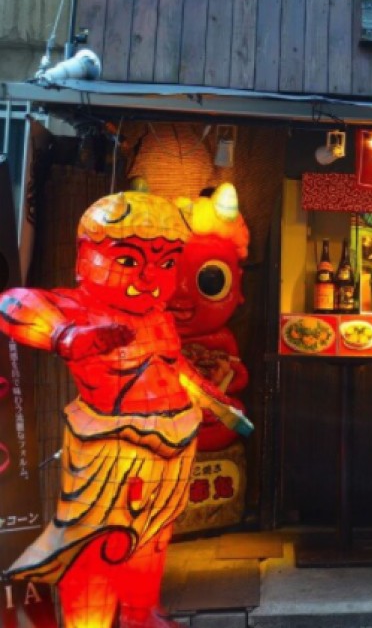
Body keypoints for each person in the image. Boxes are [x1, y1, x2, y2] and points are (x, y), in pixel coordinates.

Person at [0, 190, 252, 628]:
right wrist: (64, 335)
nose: (150, 276)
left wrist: (213, 399)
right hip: (111, 448)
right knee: (96, 543)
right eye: (130, 260)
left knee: (153, 537)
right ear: (85, 257)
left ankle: (142, 613)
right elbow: (12, 303)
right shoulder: (79, 307)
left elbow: (174, 368)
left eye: (167, 262)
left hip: (172, 449)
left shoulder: (159, 316)